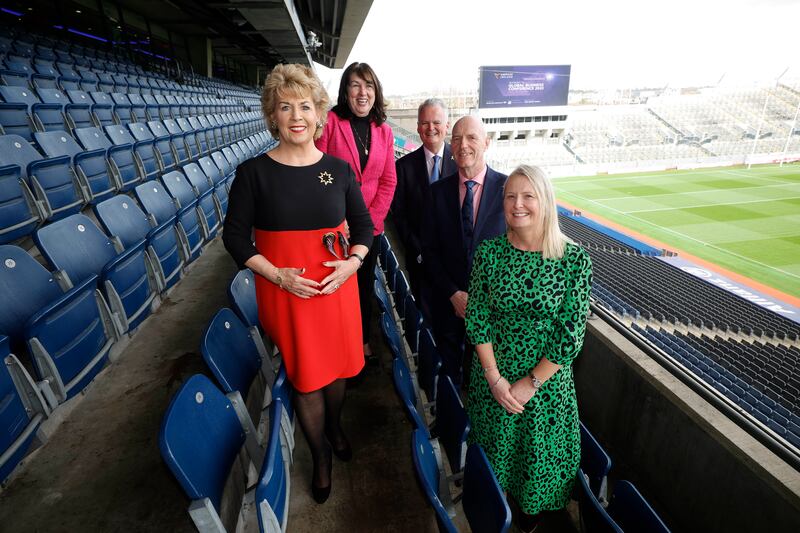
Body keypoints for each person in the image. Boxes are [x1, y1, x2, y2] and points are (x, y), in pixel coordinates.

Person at [223, 64, 374, 504]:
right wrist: (277, 275)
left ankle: (335, 425)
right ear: (272, 115)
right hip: (287, 293)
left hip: (336, 289)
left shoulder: (340, 170)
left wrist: (353, 264)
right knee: (307, 380)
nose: (296, 115)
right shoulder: (253, 173)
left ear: (319, 114)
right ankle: (320, 454)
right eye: (284, 106)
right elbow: (234, 237)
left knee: (340, 372)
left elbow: (363, 229)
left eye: (305, 106)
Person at [465, 165, 592, 532]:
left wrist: (529, 383)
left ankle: (528, 522)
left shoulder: (574, 260)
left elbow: (569, 335)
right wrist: (495, 378)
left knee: (534, 478)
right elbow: (477, 319)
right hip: (494, 384)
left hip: (546, 391)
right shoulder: (488, 253)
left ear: (545, 202)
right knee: (495, 472)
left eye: (528, 196)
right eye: (510, 196)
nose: (517, 204)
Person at [315, 62, 396, 365]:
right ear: (345, 91)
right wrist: (340, 220)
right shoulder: (332, 122)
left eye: (369, 86)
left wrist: (368, 223)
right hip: (334, 228)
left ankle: (360, 342)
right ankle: (335, 347)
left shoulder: (384, 131)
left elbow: (388, 181)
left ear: (376, 91)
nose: (363, 93)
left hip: (369, 230)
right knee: (335, 288)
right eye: (355, 85)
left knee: (362, 287)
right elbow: (317, 171)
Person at [421, 115, 506, 389]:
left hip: (493, 309)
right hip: (449, 305)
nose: (463, 145)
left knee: (486, 378)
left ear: (487, 143)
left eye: (471, 138)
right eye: (456, 139)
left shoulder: (508, 190)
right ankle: (448, 424)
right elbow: (429, 252)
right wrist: (453, 293)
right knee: (448, 373)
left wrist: (484, 298)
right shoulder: (436, 193)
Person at [392, 98, 457, 318]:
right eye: (425, 123)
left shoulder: (461, 163)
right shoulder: (403, 167)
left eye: (436, 122)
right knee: (427, 325)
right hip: (420, 264)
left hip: (455, 267)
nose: (431, 128)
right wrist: (419, 252)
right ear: (418, 127)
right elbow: (399, 217)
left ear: (447, 125)